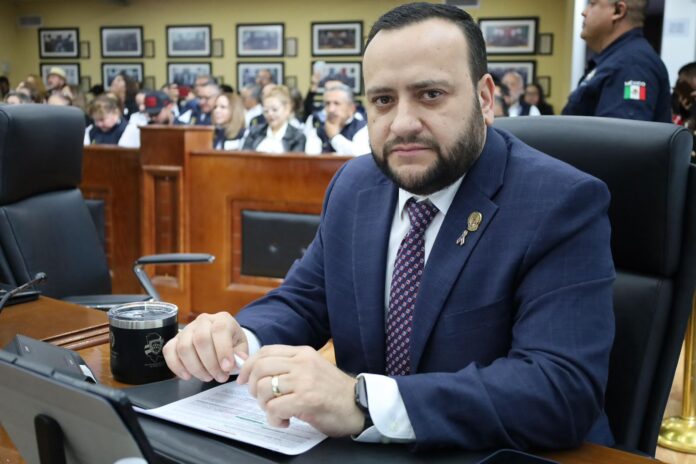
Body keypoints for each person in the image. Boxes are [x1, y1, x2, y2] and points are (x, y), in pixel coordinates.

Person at [164, 2, 614, 451]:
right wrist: (240, 339)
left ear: (484, 98)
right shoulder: (355, 184)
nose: (402, 124)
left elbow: (561, 389)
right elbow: (305, 300)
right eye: (383, 100)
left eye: (430, 94)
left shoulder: (559, 202)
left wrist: (364, 403)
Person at [562, 0, 670, 122]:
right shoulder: (617, 59)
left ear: (618, 11)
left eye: (592, 4)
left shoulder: (632, 63)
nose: (584, 12)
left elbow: (618, 132)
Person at [304, 83, 370, 156]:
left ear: (351, 108)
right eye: (327, 103)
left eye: (337, 103)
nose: (331, 109)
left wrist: (334, 137)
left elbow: (361, 156)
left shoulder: (362, 128)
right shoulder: (318, 128)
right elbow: (311, 158)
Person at [242, 85, 305, 153]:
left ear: (287, 109)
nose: (270, 114)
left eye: (274, 110)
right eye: (266, 111)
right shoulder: (255, 132)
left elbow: (295, 159)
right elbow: (244, 156)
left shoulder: (297, 137)